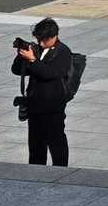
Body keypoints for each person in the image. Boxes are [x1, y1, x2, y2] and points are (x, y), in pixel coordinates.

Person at [12, 18, 74, 167]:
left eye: (45, 40)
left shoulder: (63, 52)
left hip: (52, 106)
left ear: (55, 36)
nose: (41, 43)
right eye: (39, 39)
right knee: (35, 144)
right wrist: (22, 57)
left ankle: (60, 170)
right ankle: (36, 171)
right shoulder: (36, 49)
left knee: (56, 141)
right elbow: (16, 70)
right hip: (34, 104)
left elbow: (50, 73)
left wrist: (33, 60)